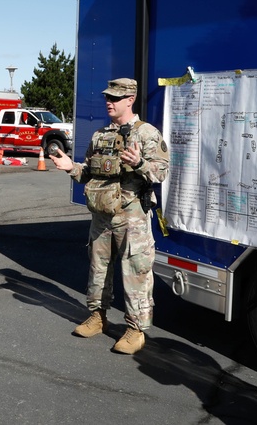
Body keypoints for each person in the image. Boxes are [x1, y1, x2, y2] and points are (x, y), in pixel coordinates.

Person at [50, 78, 169, 355]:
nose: (109, 102)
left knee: (135, 271)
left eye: (115, 98)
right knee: (98, 269)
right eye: (107, 97)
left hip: (132, 217)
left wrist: (139, 163)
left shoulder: (147, 134)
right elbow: (88, 174)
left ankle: (135, 329)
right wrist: (71, 167)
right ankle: (97, 316)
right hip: (102, 216)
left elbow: (161, 173)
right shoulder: (99, 135)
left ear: (130, 100)